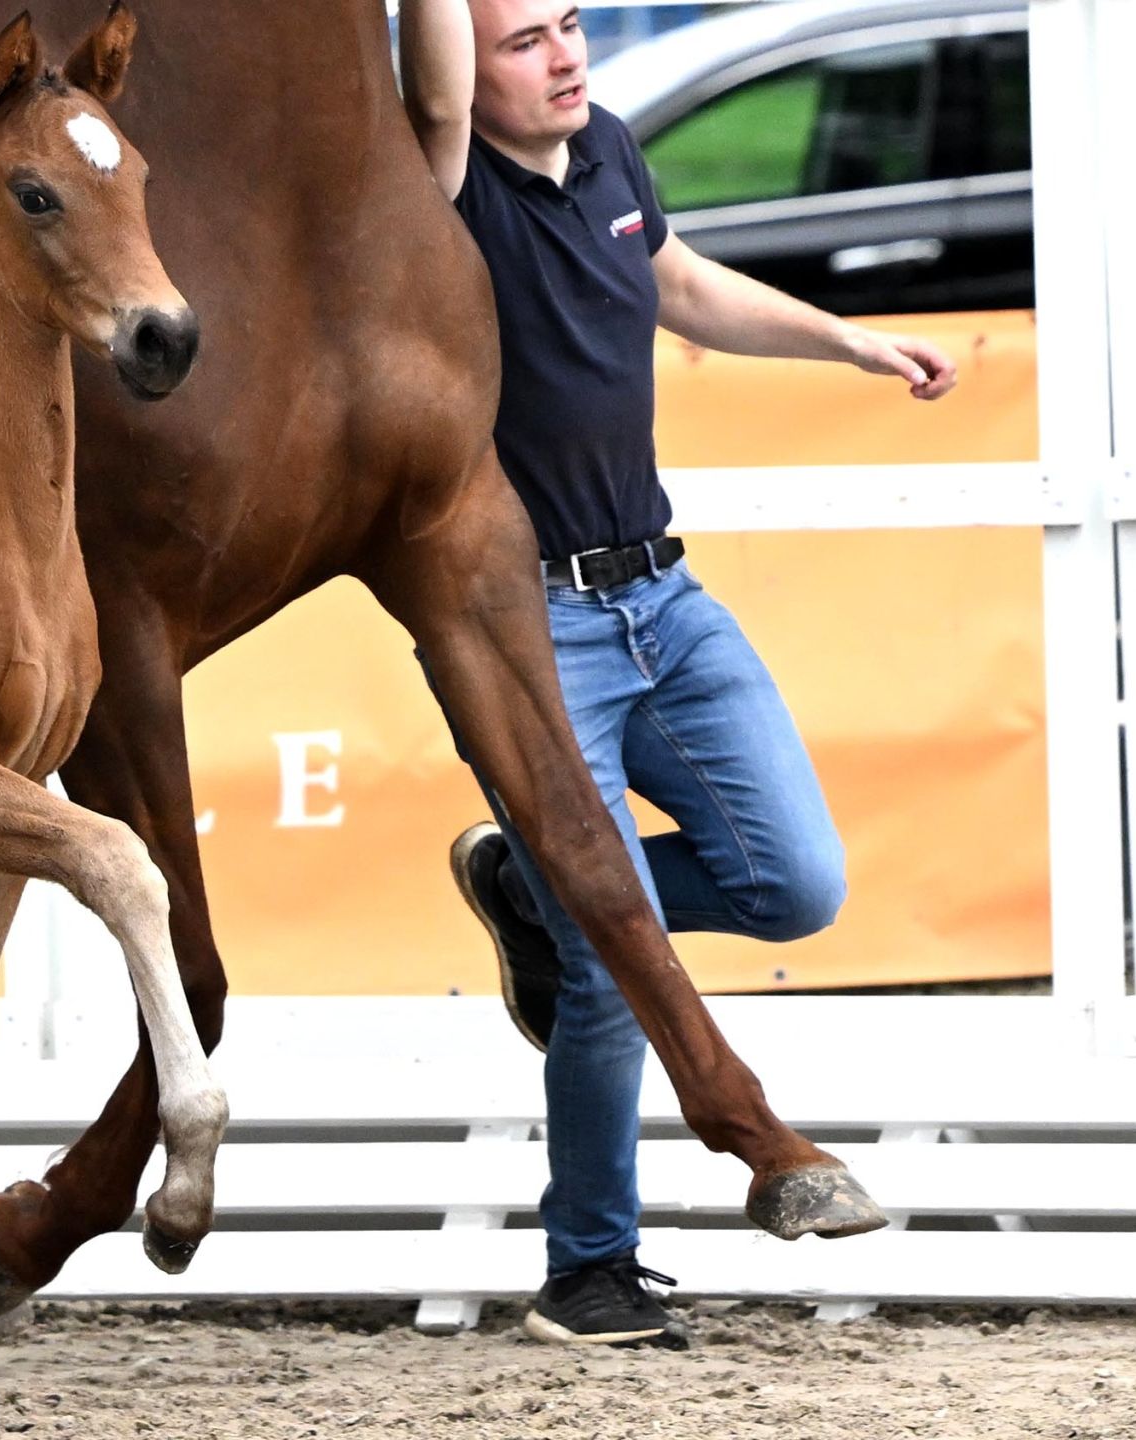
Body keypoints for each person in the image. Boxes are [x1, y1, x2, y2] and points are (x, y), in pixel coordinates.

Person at [395, 0, 959, 1349]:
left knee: (795, 886)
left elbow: (683, 285)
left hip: (667, 601)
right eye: (527, 39)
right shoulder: (447, 183)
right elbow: (430, 88)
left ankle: (531, 891)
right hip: (532, 635)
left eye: (575, 25)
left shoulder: (614, 157)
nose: (569, 54)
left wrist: (850, 341)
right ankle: (590, 1271)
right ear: (468, 75)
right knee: (607, 966)